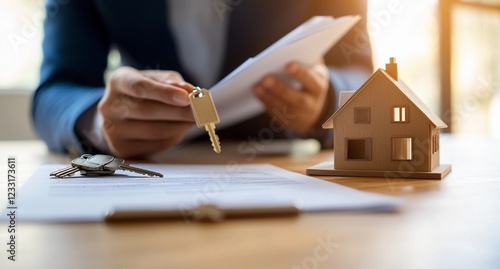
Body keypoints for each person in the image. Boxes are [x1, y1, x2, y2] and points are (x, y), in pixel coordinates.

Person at [32, 0, 373, 159]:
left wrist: (326, 98)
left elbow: (359, 73)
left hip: (281, 168)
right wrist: (98, 121)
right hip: (152, 176)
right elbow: (55, 92)